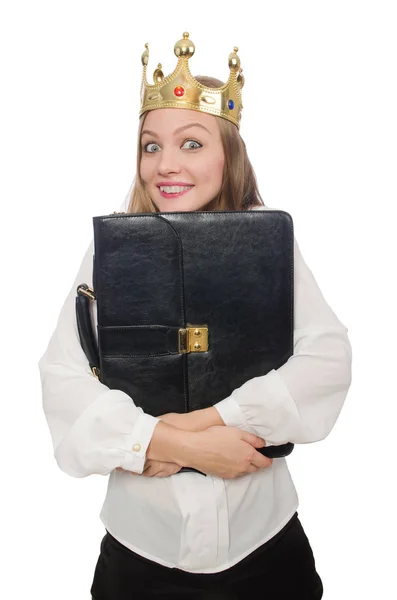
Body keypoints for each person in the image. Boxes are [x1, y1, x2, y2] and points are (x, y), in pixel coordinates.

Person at [38, 32, 352, 599]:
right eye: (151, 146)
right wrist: (185, 447)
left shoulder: (270, 245)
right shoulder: (111, 252)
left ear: (228, 154)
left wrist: (187, 428)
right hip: (139, 555)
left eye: (191, 143)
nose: (166, 164)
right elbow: (63, 380)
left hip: (266, 549)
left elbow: (325, 361)